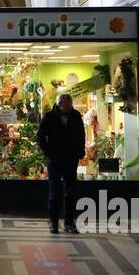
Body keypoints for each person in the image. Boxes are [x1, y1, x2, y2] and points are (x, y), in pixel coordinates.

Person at [36, 93, 85, 234]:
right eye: (66, 105)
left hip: (71, 158)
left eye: (70, 105)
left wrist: (80, 152)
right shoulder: (49, 116)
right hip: (55, 159)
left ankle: (69, 222)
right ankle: (54, 222)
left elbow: (81, 135)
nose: (69, 108)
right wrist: (47, 151)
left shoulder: (76, 116)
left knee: (70, 191)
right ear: (59, 104)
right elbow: (40, 135)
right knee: (54, 191)